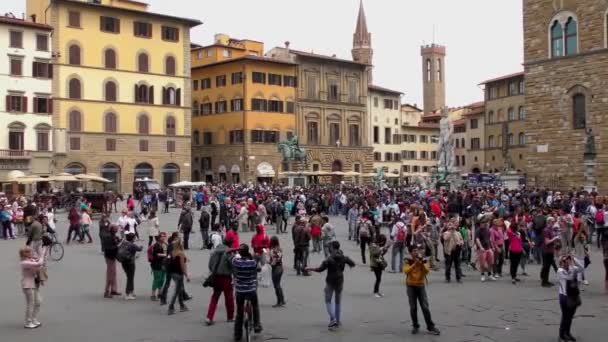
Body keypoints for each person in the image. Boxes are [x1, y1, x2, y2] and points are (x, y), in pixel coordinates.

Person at [307, 240, 355, 329]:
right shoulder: (343, 257)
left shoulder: (329, 259)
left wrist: (310, 268)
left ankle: (332, 318)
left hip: (330, 281)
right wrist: (347, 265)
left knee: (328, 300)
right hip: (340, 280)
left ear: (332, 248)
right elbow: (353, 263)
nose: (329, 248)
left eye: (330, 247)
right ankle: (338, 320)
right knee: (338, 301)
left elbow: (320, 269)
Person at [404, 245, 440, 336]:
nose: (416, 252)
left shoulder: (423, 260)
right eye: (414, 251)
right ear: (410, 252)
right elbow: (406, 271)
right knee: (413, 307)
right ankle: (415, 326)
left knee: (425, 307)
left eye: (417, 250)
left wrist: (421, 264)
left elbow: (427, 271)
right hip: (411, 286)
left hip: (420, 285)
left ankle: (430, 326)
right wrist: (414, 264)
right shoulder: (407, 260)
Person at [231, 244, 263, 341]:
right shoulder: (252, 262)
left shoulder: (236, 262)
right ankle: (257, 324)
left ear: (240, 253)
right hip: (251, 289)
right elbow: (259, 269)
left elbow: (231, 256)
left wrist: (237, 250)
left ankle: (238, 335)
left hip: (240, 290)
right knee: (255, 306)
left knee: (239, 313)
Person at [205, 237, 235, 325]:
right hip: (226, 277)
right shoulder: (229, 253)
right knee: (229, 298)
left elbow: (210, 265)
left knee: (214, 298)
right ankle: (230, 317)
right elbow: (233, 265)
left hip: (216, 277)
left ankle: (209, 317)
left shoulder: (215, 251)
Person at [557, 255, 583, 342]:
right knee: (565, 316)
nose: (566, 262)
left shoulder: (572, 268)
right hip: (564, 296)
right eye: (564, 261)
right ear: (561, 263)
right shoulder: (560, 271)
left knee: (570, 316)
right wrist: (571, 268)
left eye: (567, 260)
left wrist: (574, 259)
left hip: (573, 296)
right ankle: (561, 335)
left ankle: (567, 333)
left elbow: (581, 268)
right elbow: (569, 277)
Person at [20, 245, 47, 329]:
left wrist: (44, 253)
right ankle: (28, 322)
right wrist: (42, 253)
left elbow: (41, 263)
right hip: (28, 285)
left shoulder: (31, 260)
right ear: (25, 254)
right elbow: (39, 263)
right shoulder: (24, 263)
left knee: (38, 302)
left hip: (34, 284)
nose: (32, 252)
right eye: (29, 251)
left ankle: (33, 319)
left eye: (31, 251)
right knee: (30, 304)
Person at [167, 239, 190, 315]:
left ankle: (182, 305)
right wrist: (187, 275)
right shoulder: (180, 253)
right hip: (179, 273)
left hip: (172, 273)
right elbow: (183, 266)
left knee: (179, 289)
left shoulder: (172, 252)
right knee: (177, 290)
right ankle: (171, 306)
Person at [117, 232, 142, 300]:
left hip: (123, 262)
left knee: (129, 277)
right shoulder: (132, 245)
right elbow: (139, 249)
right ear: (133, 238)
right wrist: (140, 246)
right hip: (130, 262)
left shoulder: (123, 243)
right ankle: (128, 293)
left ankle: (131, 291)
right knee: (130, 278)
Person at [101, 225, 121, 298]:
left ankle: (113, 289)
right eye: (116, 229)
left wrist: (118, 241)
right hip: (110, 257)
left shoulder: (113, 236)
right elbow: (110, 248)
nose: (117, 230)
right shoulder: (108, 237)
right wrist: (118, 245)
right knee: (110, 275)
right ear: (112, 230)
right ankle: (106, 291)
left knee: (114, 273)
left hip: (112, 257)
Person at [149, 232, 167, 301]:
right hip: (156, 265)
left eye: (164, 236)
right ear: (159, 238)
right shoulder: (156, 245)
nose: (163, 238)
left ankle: (160, 293)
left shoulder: (163, 244)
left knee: (162, 279)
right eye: (162, 236)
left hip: (163, 264)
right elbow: (156, 254)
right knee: (157, 279)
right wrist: (166, 255)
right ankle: (153, 294)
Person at [268, 236, 286, 307]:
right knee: (278, 285)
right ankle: (282, 300)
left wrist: (268, 262)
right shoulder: (279, 249)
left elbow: (274, 261)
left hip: (276, 268)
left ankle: (280, 301)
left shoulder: (274, 250)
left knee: (276, 285)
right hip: (280, 267)